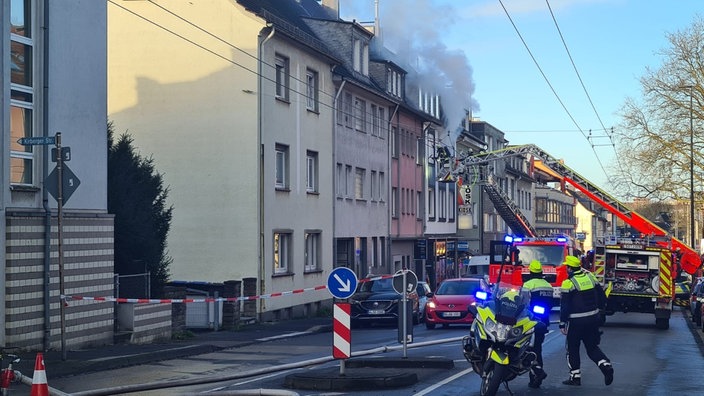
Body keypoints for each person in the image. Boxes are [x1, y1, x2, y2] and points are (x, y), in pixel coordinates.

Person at [559, 255, 614, 386]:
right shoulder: (591, 277)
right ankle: (605, 365)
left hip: (576, 322)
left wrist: (562, 323)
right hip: (593, 319)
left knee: (572, 348)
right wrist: (600, 312)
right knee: (592, 347)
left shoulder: (569, 283)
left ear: (570, 268)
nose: (566, 269)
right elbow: (601, 297)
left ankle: (575, 377)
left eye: (567, 267)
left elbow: (564, 306)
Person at [522, 260, 553, 388]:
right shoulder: (548, 285)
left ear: (530, 272)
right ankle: (536, 377)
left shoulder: (528, 284)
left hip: (529, 321)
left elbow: (522, 303)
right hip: (543, 322)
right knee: (537, 349)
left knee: (526, 349)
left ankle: (536, 373)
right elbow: (551, 304)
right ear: (541, 272)